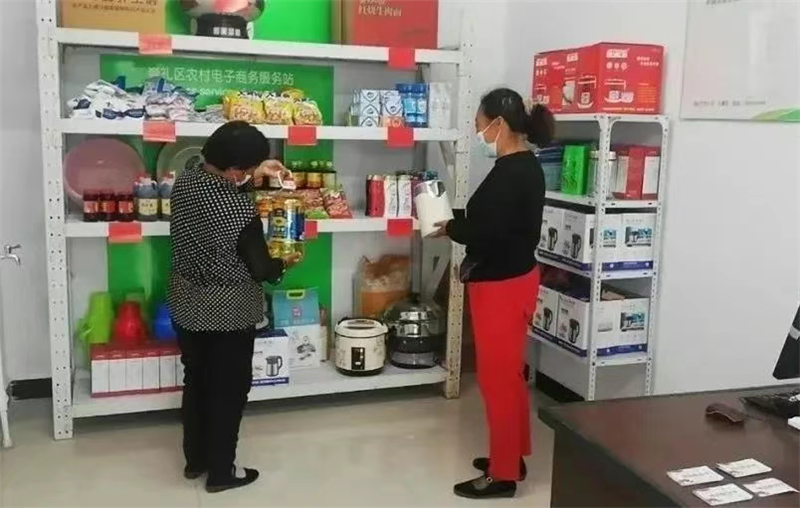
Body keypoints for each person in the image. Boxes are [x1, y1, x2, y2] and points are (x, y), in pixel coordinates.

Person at [433, 88, 554, 499]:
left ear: (499, 124)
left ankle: (502, 475)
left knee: (498, 381)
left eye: (479, 123)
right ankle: (512, 454)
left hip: (502, 287)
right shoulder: (520, 165)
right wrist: (453, 221)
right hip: (512, 279)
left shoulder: (512, 172)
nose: (477, 131)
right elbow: (493, 220)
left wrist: (451, 227)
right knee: (509, 376)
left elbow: (488, 232)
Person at [167, 121, 296, 493]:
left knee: (197, 380)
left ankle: (196, 461)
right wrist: (283, 263)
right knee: (228, 390)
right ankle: (222, 472)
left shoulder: (186, 181)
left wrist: (258, 174)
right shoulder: (237, 209)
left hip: (186, 302)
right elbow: (261, 268)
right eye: (251, 167)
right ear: (237, 169)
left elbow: (219, 194)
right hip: (228, 310)